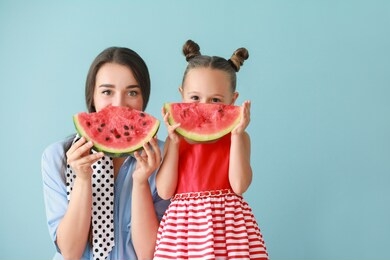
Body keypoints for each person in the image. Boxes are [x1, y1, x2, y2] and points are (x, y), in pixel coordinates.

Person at [41, 46, 170, 260]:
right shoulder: (57, 157)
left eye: (132, 92)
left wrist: (141, 182)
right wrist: (82, 179)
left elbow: (150, 254)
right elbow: (70, 253)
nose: (119, 105)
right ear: (92, 95)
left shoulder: (165, 157)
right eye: (107, 91)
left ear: (144, 99)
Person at [154, 40, 269, 259]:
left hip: (229, 229)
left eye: (215, 100)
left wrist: (236, 135)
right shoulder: (174, 139)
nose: (204, 107)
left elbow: (239, 185)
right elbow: (165, 191)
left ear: (233, 101)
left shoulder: (240, 138)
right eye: (195, 98)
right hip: (183, 229)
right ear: (182, 94)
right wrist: (175, 143)